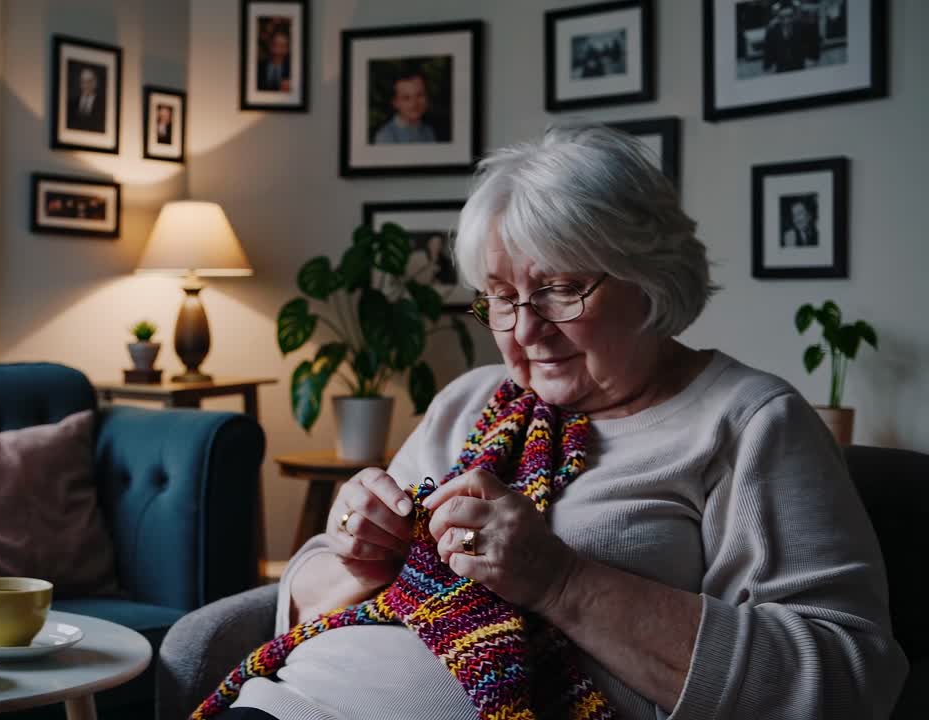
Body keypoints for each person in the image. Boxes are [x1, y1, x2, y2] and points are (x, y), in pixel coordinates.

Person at [217, 123, 907, 719]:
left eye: (558, 290)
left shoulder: (750, 424)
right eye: (500, 297)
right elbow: (305, 595)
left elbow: (848, 679)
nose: (525, 329)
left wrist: (561, 583)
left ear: (651, 279)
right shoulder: (470, 402)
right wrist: (356, 551)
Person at [372, 71, 437, 144]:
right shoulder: (386, 136)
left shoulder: (428, 131)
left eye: (420, 95)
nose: (414, 103)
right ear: (395, 103)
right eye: (406, 98)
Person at [763, 0, 821, 73]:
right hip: (781, 70)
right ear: (778, 17)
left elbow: (813, 45)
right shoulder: (772, 32)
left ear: (793, 15)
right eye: (783, 17)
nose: (787, 20)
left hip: (802, 67)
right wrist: (769, 66)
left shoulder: (802, 27)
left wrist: (812, 59)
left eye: (789, 16)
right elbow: (768, 53)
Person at [68, 66, 105, 132]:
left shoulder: (102, 105)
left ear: (95, 83)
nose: (86, 85)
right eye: (83, 81)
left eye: (89, 81)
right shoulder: (71, 103)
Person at [256, 28, 292, 92]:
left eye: (282, 46)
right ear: (269, 45)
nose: (277, 51)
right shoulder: (258, 66)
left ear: (288, 48)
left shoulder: (292, 69)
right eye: (275, 45)